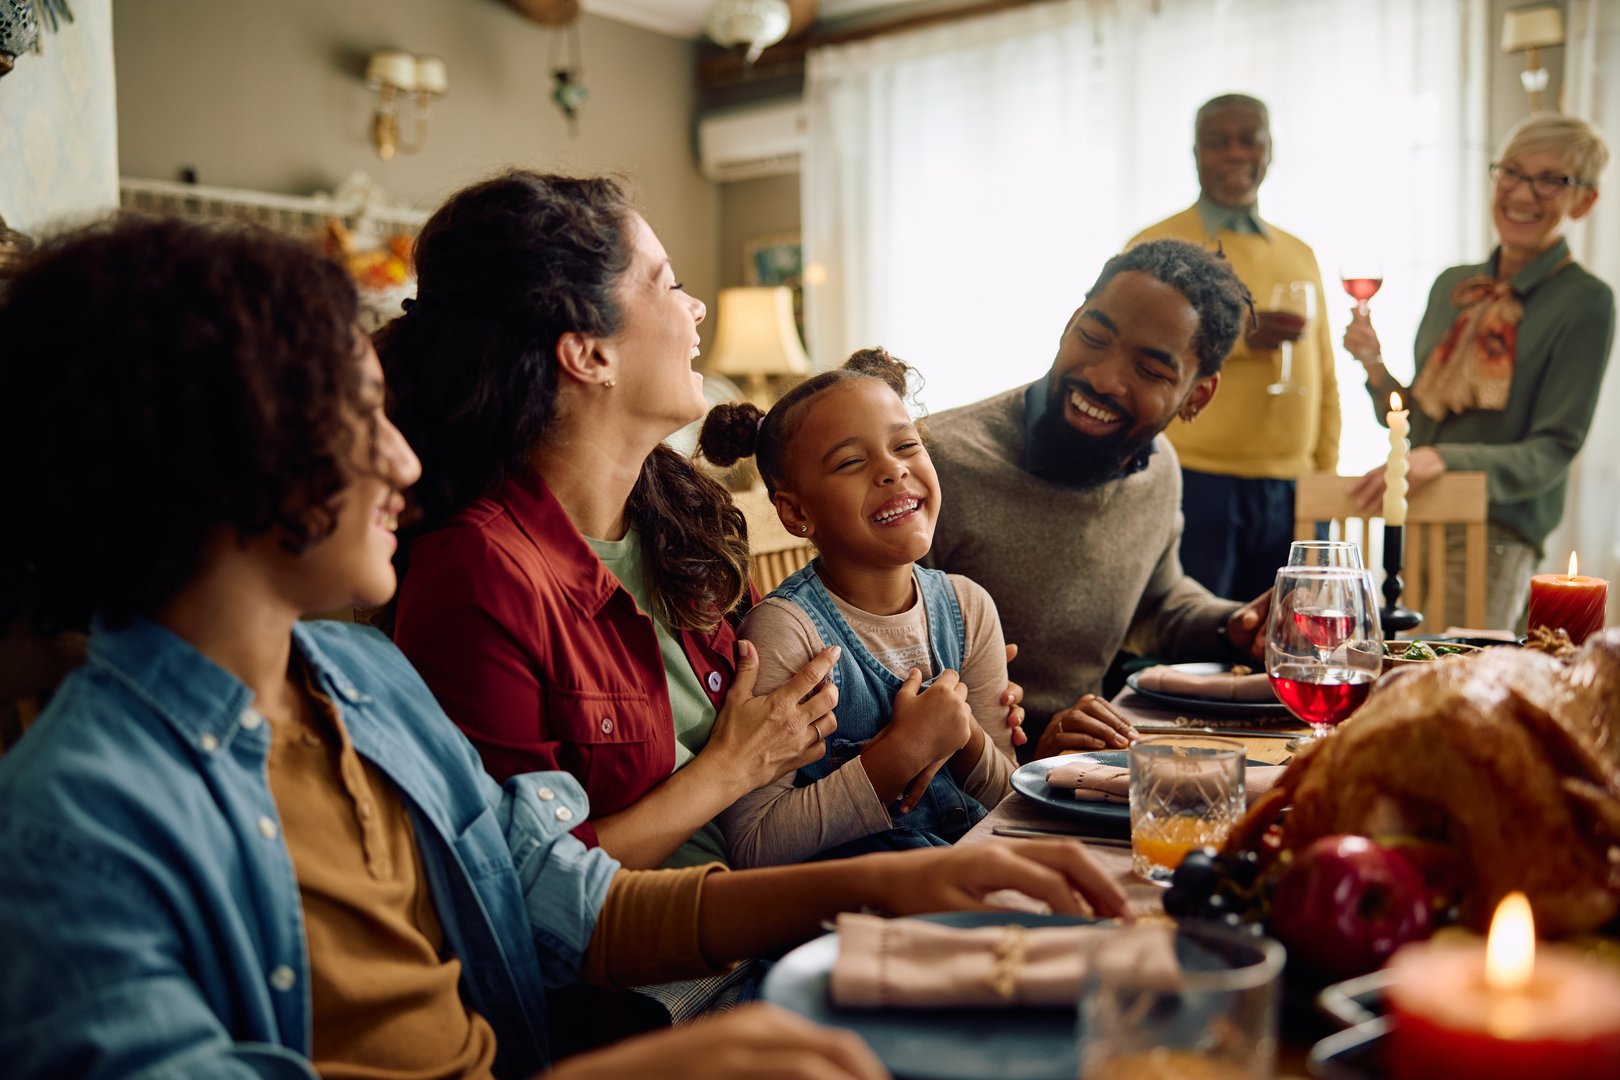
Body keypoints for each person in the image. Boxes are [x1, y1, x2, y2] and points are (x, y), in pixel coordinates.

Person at [0, 216, 1129, 1079]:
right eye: (356, 417)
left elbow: (573, 899)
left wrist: (914, 876)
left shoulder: (358, 683)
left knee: (1086, 1010)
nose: (403, 462)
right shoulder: (73, 834)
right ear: (219, 456)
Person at [925, 238, 1269, 760]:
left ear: (1197, 395)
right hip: (965, 790)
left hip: (1083, 766)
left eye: (1151, 370)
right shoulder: (934, 465)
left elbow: (1156, 602)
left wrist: (1235, 626)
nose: (1103, 378)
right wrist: (1033, 751)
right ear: (1070, 322)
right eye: (1093, 336)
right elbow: (881, 684)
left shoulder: (1159, 469)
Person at [698, 348, 1015, 867]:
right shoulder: (786, 632)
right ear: (797, 512)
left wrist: (967, 736)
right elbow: (755, 845)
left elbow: (1010, 804)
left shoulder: (969, 607)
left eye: (906, 445)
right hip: (845, 920)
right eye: (851, 462)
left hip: (974, 886)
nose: (892, 470)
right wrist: (900, 756)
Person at [1343, 113, 1614, 631]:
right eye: (1511, 171)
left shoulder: (1587, 303)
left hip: (1496, 536)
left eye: (1551, 179)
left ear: (1584, 201)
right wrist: (1375, 367)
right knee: (1397, 682)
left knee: (1456, 690)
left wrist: (1444, 458)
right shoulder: (1454, 284)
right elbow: (1416, 426)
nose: (1523, 193)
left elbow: (1553, 449)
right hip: (1416, 522)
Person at [1129, 93, 1340, 602]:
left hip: (1293, 487)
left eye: (1250, 139)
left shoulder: (1300, 252)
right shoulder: (1156, 244)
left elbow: (1326, 373)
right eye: (1217, 142)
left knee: (1292, 644)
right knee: (1192, 646)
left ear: (1270, 149)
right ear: (1196, 153)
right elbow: (1134, 356)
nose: (1235, 154)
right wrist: (1241, 338)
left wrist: (1322, 478)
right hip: (1193, 478)